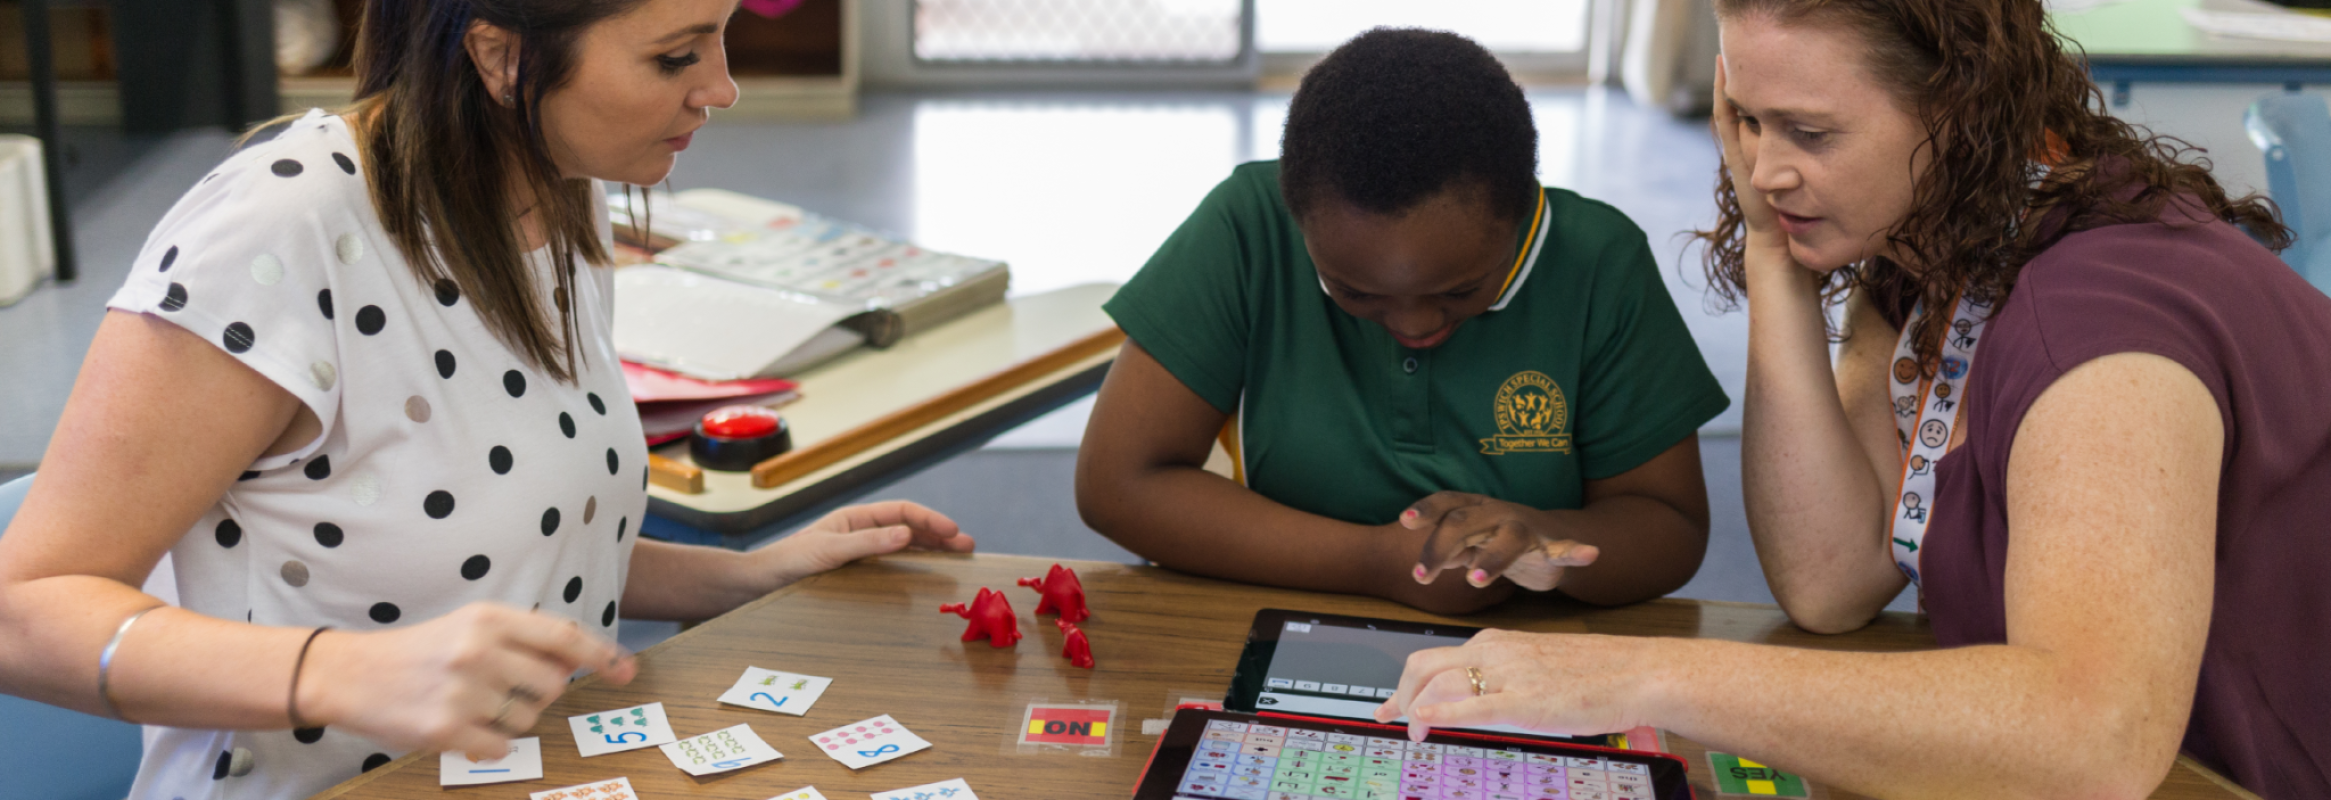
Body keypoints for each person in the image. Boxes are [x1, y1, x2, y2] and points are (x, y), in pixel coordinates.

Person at [0, 2, 972, 798]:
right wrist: (343, 672)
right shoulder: (277, 231)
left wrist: (746, 574)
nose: (722, 88)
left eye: (723, 38)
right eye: (676, 55)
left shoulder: (563, 178)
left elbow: (510, 537)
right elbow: (21, 612)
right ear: (500, 56)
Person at [1377, 1, 2331, 796]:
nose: (1761, 168)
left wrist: (1628, 677)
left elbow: (2094, 735)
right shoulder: (1937, 240)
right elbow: (1831, 579)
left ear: (1959, 110)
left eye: (1810, 132)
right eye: (1745, 119)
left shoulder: (2100, 326)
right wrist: (1770, 253)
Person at [1077, 29, 1729, 615]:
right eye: (1353, 291)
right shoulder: (1246, 228)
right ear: (1298, 223)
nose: (1415, 323)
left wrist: (1543, 544)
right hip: (1279, 618)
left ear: (1522, 209)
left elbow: (1667, 527)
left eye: (1463, 288)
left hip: (1536, 651)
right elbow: (1117, 483)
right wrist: (1374, 561)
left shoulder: (1596, 261)